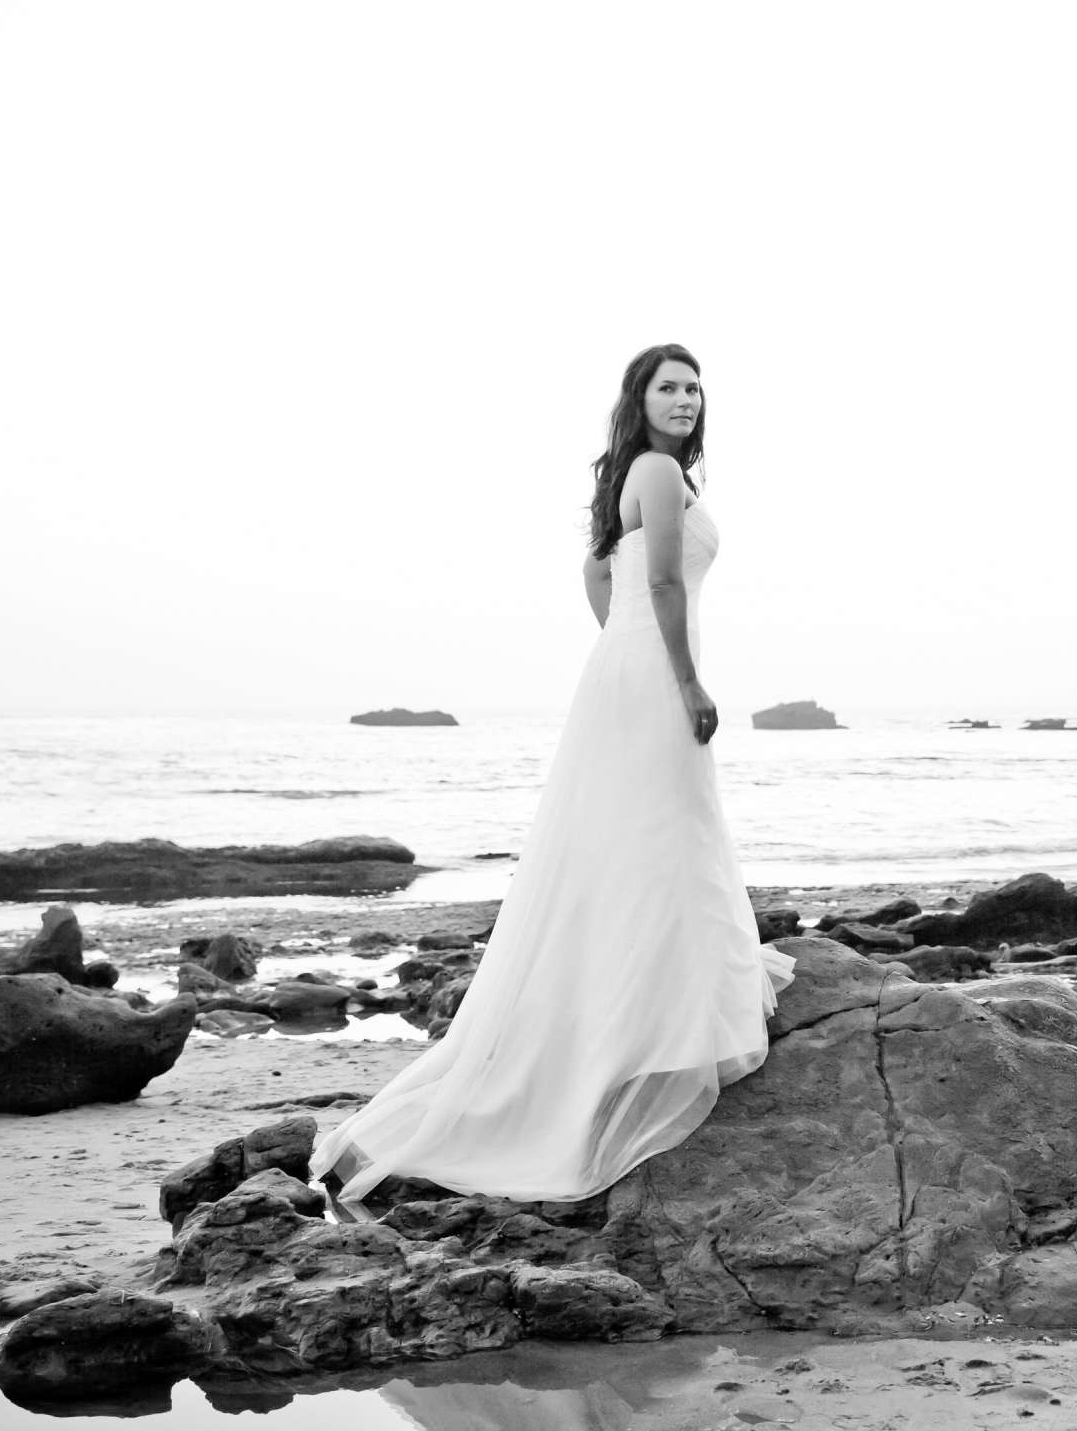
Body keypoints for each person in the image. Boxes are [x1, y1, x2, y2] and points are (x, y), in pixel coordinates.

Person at [311, 343, 794, 1211]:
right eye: (669, 387)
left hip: (629, 668)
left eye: (694, 389)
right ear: (640, 399)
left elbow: (596, 573)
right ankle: (649, 1024)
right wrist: (677, 674)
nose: (684, 399)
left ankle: (641, 1015)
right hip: (650, 674)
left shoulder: (644, 475)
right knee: (661, 835)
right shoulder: (653, 469)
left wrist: (624, 642)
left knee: (643, 838)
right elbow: (656, 583)